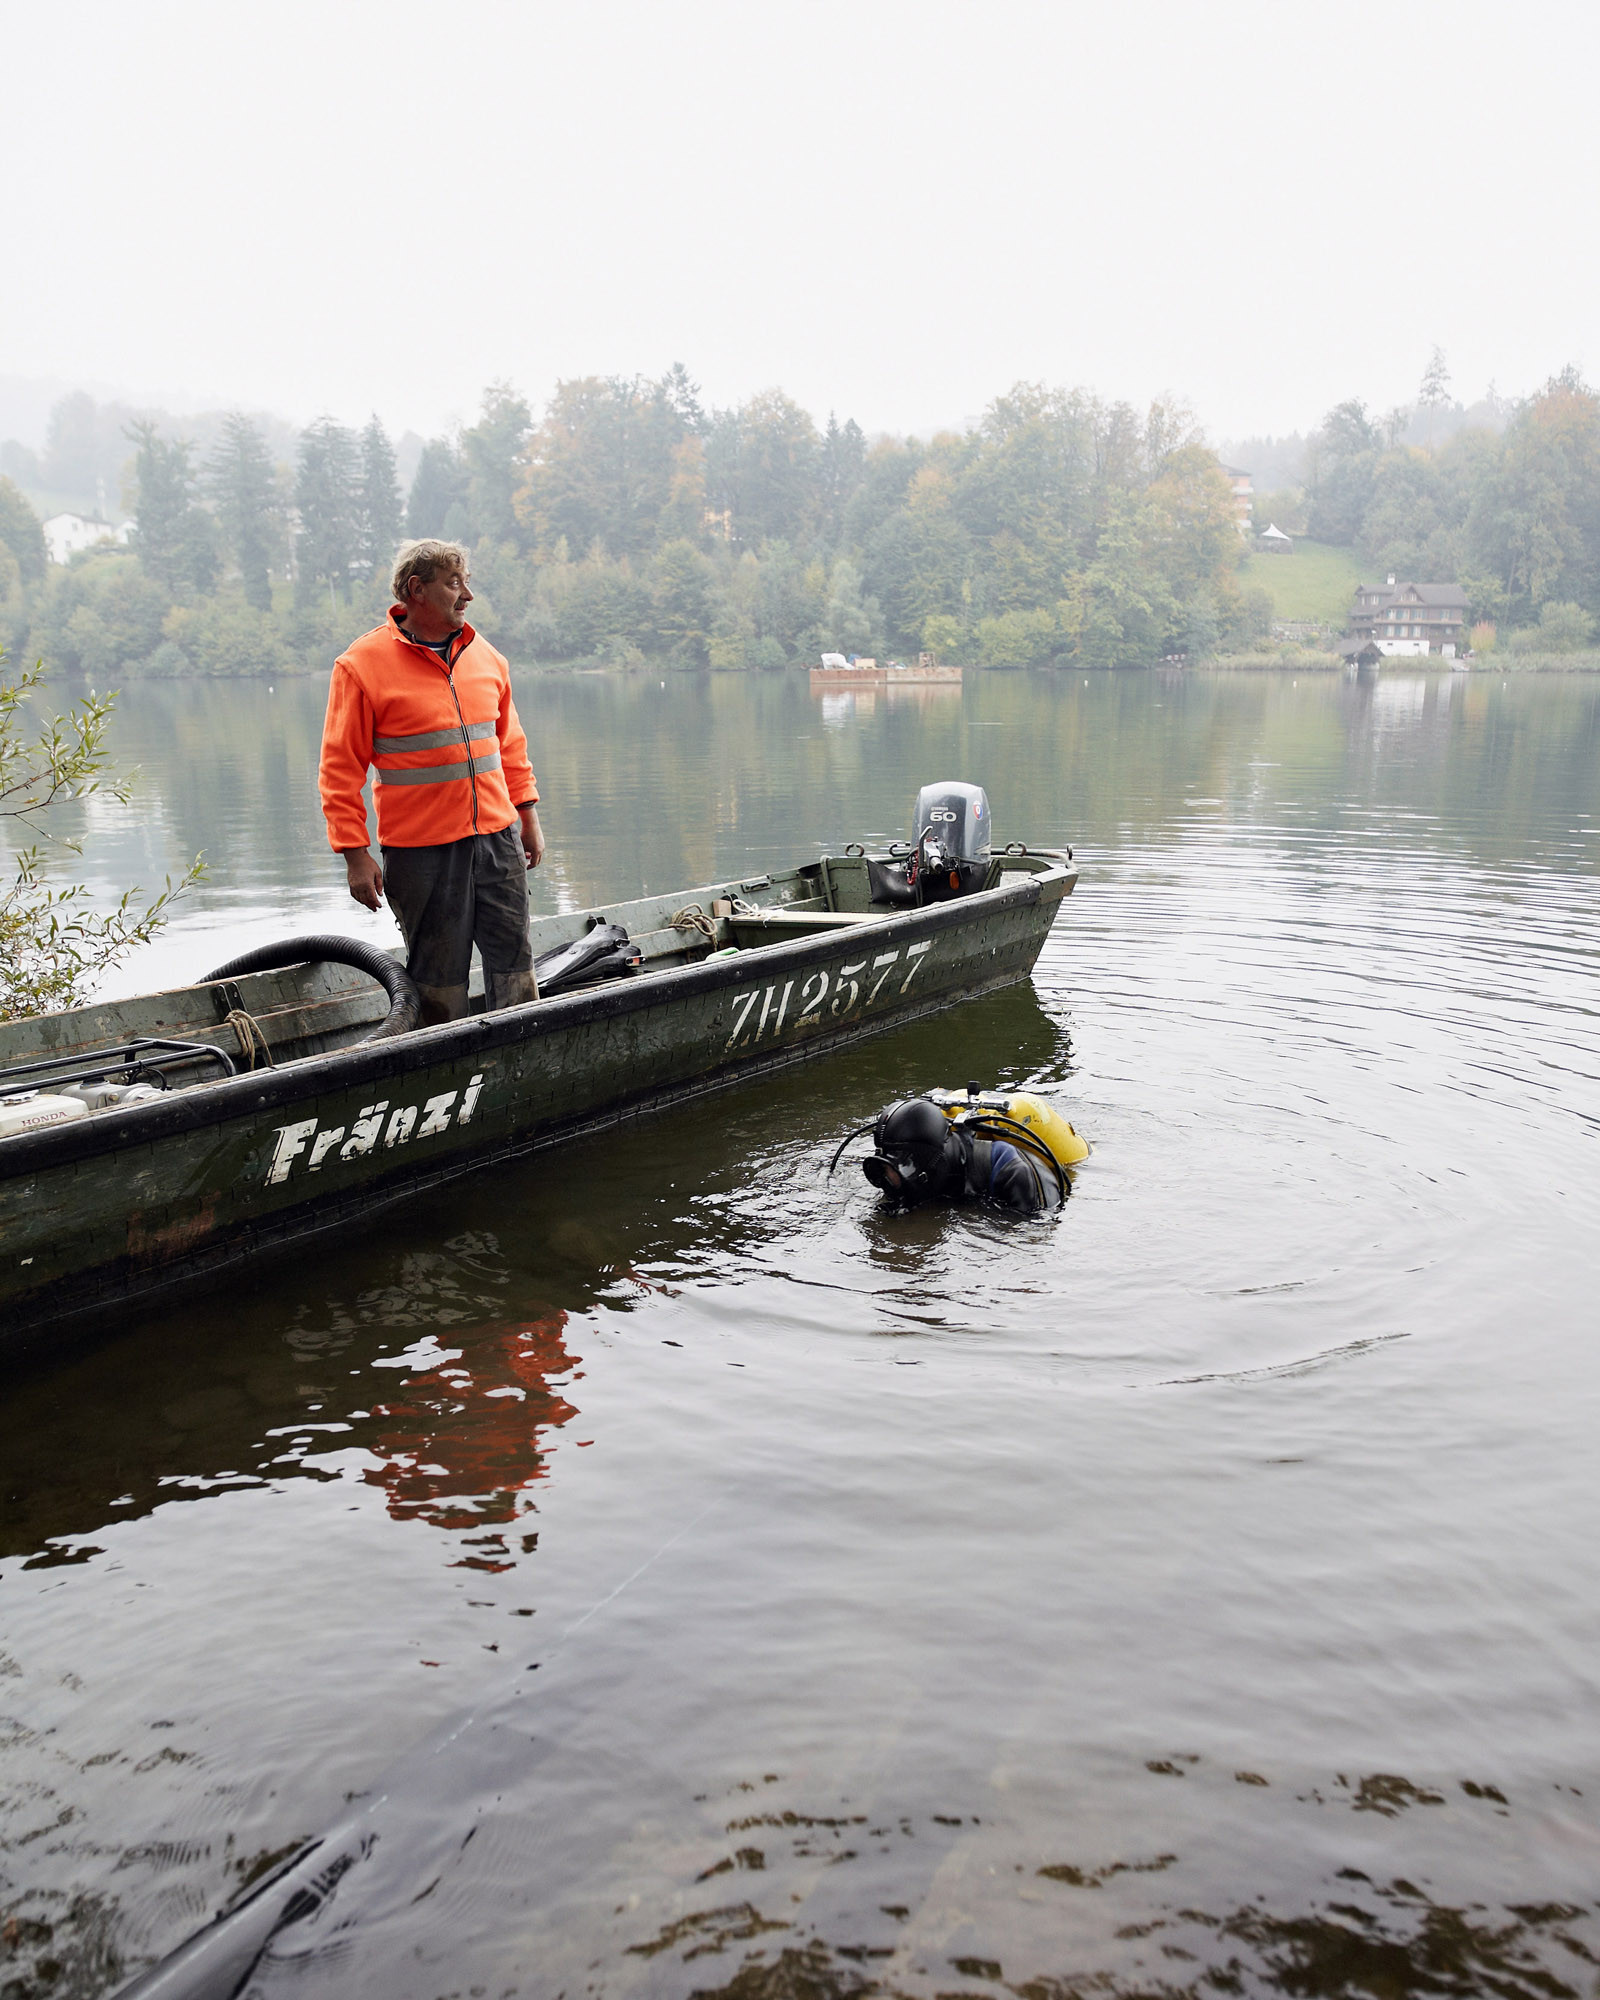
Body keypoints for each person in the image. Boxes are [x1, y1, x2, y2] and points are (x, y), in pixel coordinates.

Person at [318, 539, 545, 1025]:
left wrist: (527, 815)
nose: (466, 596)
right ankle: (450, 1073)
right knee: (438, 979)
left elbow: (509, 745)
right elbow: (340, 769)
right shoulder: (361, 666)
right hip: (421, 852)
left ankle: (525, 1054)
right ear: (417, 590)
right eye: (453, 583)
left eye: (466, 583)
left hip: (497, 840)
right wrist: (355, 854)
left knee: (515, 965)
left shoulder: (486, 657)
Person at [861, 1098, 1060, 1213]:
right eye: (885, 1169)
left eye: (895, 1169)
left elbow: (1031, 1244)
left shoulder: (1014, 1174)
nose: (889, 1180)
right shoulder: (910, 1179)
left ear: (928, 1165)